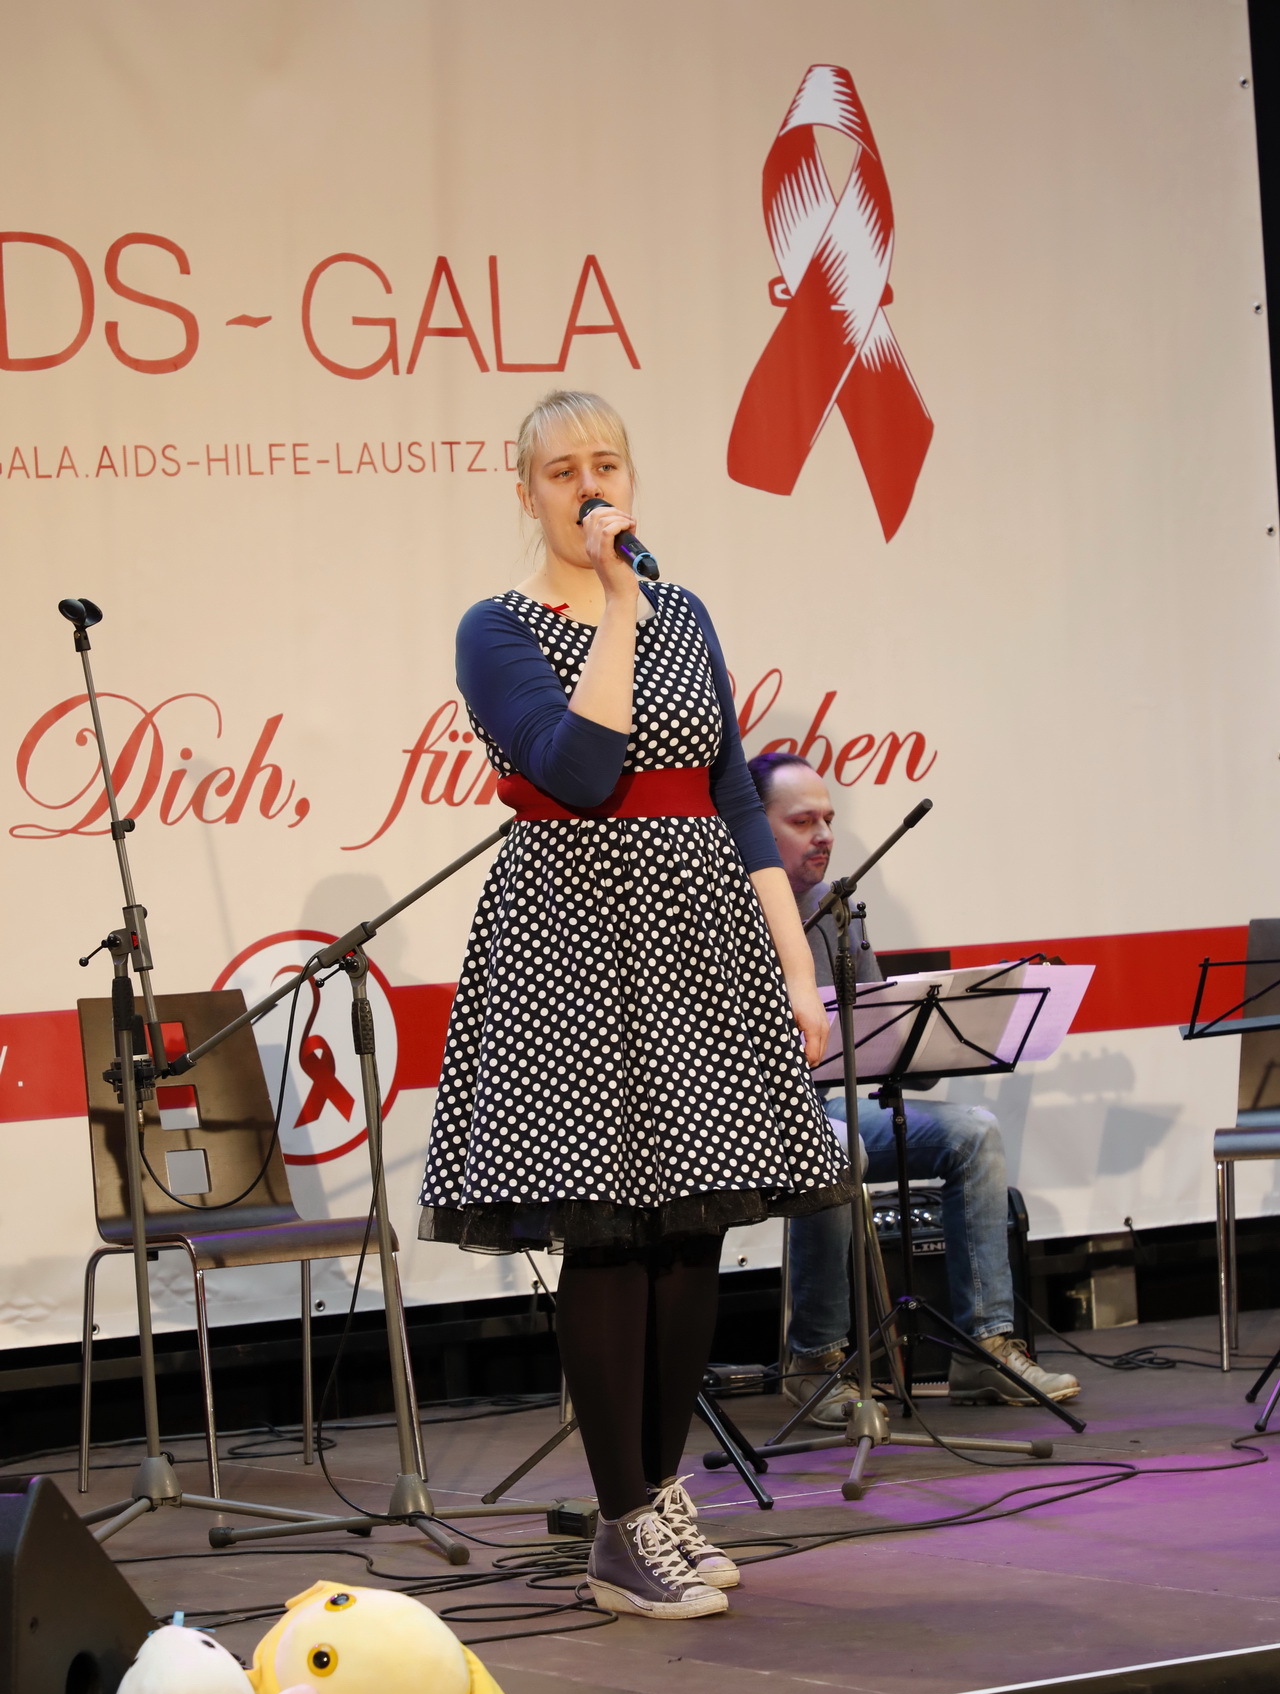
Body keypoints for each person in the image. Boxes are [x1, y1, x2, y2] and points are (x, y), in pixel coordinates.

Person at [418, 392, 853, 1620]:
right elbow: (578, 767)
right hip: (569, 941)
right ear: (525, 492)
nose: (587, 485)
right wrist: (615, 605)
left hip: (701, 936)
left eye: (604, 463)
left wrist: (794, 964)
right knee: (607, 1230)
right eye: (561, 470)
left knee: (690, 1229)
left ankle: (659, 1493)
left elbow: (729, 794)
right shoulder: (495, 628)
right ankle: (616, 1526)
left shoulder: (688, 613)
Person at [747, 751, 1080, 1422]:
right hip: (749, 1117)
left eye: (828, 819)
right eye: (803, 821)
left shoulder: (839, 908)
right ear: (754, 825)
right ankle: (814, 1360)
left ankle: (983, 1350)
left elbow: (880, 1035)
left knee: (973, 1133)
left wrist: (938, 1038)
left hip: (827, 1105)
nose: (824, 835)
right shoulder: (721, 908)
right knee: (835, 1148)